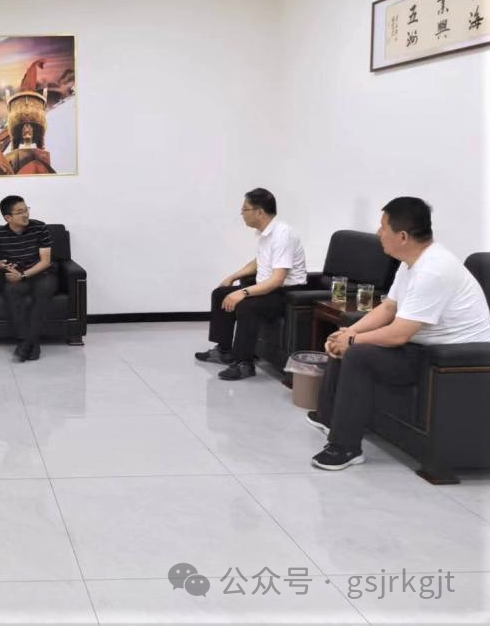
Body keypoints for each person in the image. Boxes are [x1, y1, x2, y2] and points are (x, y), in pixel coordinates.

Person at [308, 197, 490, 470]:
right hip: (422, 345)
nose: (378, 233)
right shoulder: (410, 263)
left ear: (403, 236)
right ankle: (330, 418)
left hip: (451, 359)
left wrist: (353, 340)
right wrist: (349, 332)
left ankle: (345, 447)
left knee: (356, 353)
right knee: (343, 340)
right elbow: (389, 308)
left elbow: (398, 335)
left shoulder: (434, 270)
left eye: (383, 228)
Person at [195, 187, 308, 380]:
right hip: (267, 288)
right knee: (221, 293)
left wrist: (244, 292)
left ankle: (244, 364)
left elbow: (278, 279)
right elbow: (259, 262)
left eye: (245, 209)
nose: (241, 213)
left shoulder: (283, 235)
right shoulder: (265, 233)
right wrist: (233, 277)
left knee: (246, 306)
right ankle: (224, 351)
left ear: (259, 212)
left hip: (286, 294)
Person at [0, 195, 55, 361]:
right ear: (8, 217)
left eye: (26, 210)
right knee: (11, 290)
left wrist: (23, 275)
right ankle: (31, 342)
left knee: (43, 290)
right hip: (17, 277)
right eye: (20, 212)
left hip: (42, 274)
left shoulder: (40, 228)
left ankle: (26, 343)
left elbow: (45, 261)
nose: (26, 214)